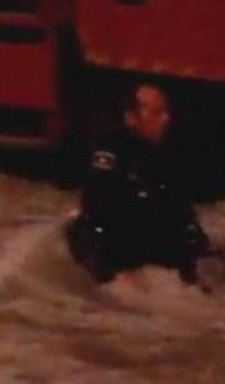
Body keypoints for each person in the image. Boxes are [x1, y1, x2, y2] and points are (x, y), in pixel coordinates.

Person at [66, 83, 210, 283]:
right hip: (115, 252)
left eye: (166, 111)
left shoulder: (167, 154)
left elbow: (180, 209)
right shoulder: (111, 150)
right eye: (156, 112)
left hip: (152, 253)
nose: (166, 118)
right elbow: (101, 206)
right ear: (130, 118)